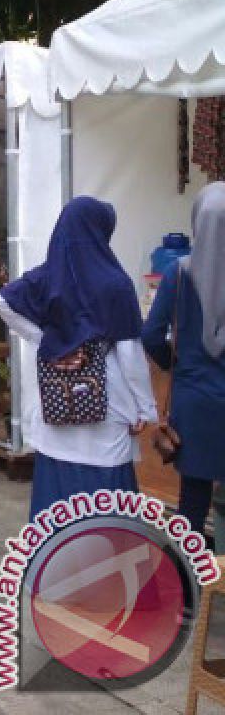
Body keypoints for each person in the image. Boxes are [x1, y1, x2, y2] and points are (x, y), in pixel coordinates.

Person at [0, 197, 156, 518]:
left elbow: (1, 301)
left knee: (57, 502)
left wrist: (49, 341)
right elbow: (129, 354)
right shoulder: (115, 283)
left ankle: (55, 566)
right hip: (107, 408)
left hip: (56, 405)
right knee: (108, 508)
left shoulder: (46, 276)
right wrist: (145, 407)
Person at [142, 183, 225, 536]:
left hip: (194, 404)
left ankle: (185, 579)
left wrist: (174, 361)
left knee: (192, 502)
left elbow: (150, 334)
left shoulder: (178, 272)